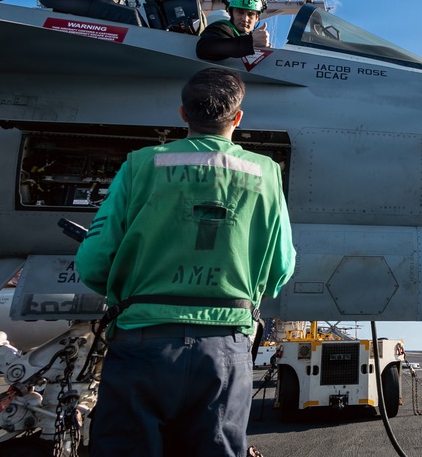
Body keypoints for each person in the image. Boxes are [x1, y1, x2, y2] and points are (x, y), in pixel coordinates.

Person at [75, 67, 295, 457]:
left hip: (142, 346)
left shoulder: (141, 164)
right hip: (226, 351)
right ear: (238, 118)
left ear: (183, 114)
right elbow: (280, 268)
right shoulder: (266, 174)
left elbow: (93, 263)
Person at [196, 0, 271, 61]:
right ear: (229, 12)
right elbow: (203, 48)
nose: (245, 19)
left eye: (250, 14)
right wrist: (250, 42)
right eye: (240, 12)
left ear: (257, 17)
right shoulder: (221, 28)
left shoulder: (250, 37)